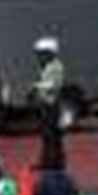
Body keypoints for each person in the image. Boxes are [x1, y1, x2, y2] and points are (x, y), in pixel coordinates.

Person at [31, 36, 66, 169]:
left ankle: (54, 162)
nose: (39, 57)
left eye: (42, 54)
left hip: (52, 105)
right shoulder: (45, 67)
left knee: (52, 136)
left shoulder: (55, 66)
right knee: (47, 136)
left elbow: (54, 84)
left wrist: (38, 86)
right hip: (45, 105)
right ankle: (48, 160)